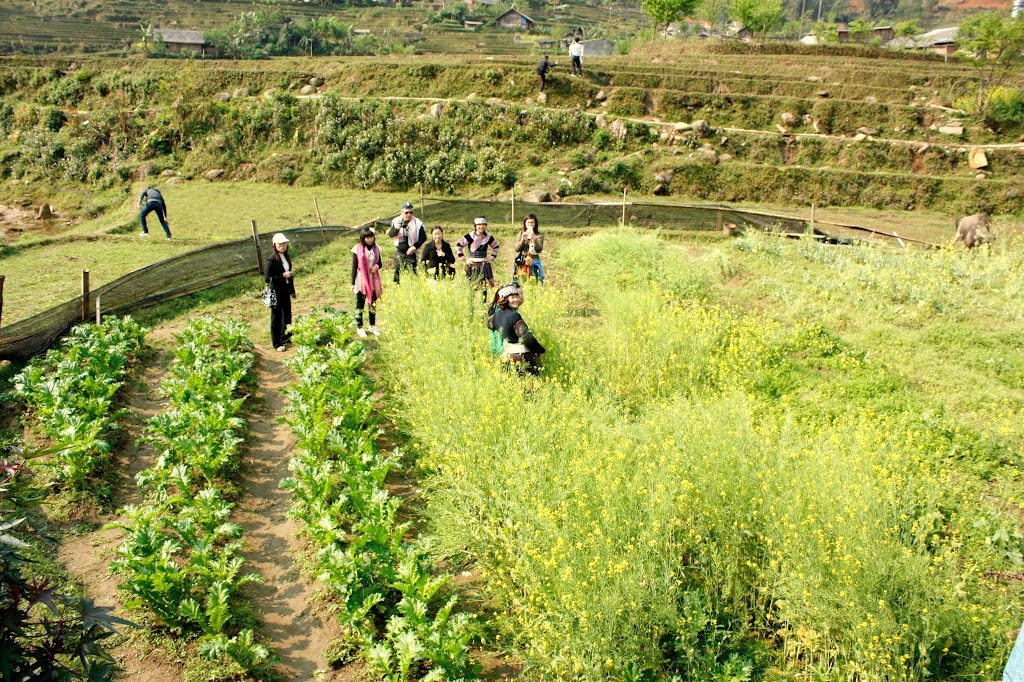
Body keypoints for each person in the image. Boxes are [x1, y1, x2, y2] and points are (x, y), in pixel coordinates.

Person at [488, 281, 546, 375]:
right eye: (512, 297)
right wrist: (540, 350)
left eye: (516, 296)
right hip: (520, 357)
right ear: (505, 299)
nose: (516, 300)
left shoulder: (495, 315)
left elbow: (490, 326)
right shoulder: (514, 315)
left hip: (505, 357)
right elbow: (526, 338)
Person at [265, 233, 295, 352]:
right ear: (274, 245)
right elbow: (268, 278)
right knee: (276, 317)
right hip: (276, 291)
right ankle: (277, 343)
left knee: (287, 314)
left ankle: (286, 336)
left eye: (284, 244)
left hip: (286, 290)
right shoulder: (271, 260)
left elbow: (290, 274)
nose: (282, 246)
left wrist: (292, 291)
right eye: (280, 244)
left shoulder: (286, 257)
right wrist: (282, 276)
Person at [351, 227, 383, 338]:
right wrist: (353, 284)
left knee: (373, 303)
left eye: (371, 237)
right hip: (361, 279)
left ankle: (372, 325)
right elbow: (354, 267)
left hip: (373, 279)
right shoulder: (357, 249)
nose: (369, 240)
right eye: (367, 238)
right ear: (363, 238)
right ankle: (359, 327)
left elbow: (380, 263)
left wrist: (376, 266)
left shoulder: (376, 248)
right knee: (360, 303)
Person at [387, 202, 426, 284]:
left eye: (411, 212)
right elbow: (391, 234)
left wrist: (414, 247)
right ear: (401, 212)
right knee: (397, 275)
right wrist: (397, 229)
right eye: (406, 212)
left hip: (411, 254)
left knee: (414, 275)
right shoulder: (396, 221)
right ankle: (397, 289)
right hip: (399, 253)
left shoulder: (418, 223)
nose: (409, 214)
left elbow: (423, 237)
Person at [457, 217, 500, 289]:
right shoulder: (469, 236)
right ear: (475, 226)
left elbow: (496, 246)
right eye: (479, 224)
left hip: (484, 265)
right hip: (472, 265)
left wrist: (491, 257)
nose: (481, 227)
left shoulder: (488, 237)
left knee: (484, 288)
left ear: (486, 226)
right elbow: (459, 246)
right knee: (471, 288)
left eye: (483, 224)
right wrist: (465, 260)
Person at [513, 213, 545, 284]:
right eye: (528, 222)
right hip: (523, 259)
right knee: (519, 280)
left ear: (535, 224)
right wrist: (523, 240)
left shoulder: (539, 235)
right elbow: (516, 249)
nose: (530, 224)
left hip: (535, 259)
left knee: (539, 279)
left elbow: (539, 249)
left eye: (532, 222)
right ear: (525, 223)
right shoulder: (521, 234)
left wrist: (534, 239)